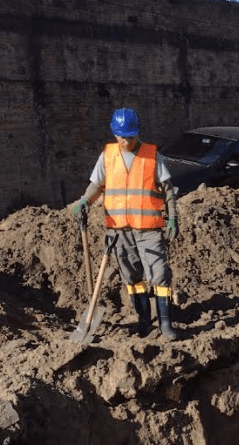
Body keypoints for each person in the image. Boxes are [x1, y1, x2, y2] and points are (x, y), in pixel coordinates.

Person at [72, 108, 179, 341]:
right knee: (132, 277)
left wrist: (173, 218)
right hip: (119, 230)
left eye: (130, 136)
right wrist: (84, 202)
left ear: (137, 133)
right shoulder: (107, 155)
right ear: (114, 133)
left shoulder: (152, 155)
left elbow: (168, 190)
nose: (125, 141)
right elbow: (96, 185)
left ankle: (165, 325)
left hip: (149, 229)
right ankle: (143, 320)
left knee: (160, 273)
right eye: (121, 136)